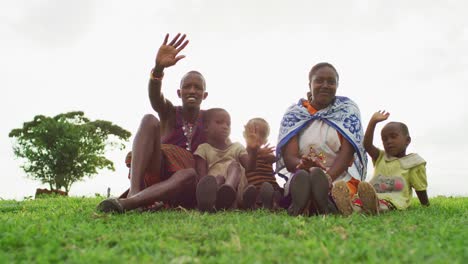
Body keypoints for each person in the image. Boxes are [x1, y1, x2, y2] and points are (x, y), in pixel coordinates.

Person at [97, 33, 208, 213]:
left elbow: (225, 146)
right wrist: (158, 70)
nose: (192, 91)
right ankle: (135, 192)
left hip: (184, 186)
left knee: (189, 173)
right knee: (149, 119)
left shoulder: (209, 120)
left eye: (198, 87)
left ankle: (130, 203)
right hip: (157, 173)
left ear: (205, 95)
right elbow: (156, 98)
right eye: (187, 87)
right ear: (179, 93)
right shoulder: (170, 113)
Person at [276, 62, 367, 216]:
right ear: (310, 84)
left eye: (331, 82)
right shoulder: (294, 114)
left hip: (337, 176)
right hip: (301, 175)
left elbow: (347, 154)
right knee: (303, 180)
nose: (325, 85)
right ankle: (308, 202)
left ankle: (319, 201)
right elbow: (289, 157)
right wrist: (303, 165)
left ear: (337, 86)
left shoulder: (347, 112)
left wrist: (325, 179)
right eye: (319, 81)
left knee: (338, 190)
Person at [332, 111, 429, 215]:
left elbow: (420, 187)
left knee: (383, 205)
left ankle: (375, 208)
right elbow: (367, 145)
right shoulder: (381, 156)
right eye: (384, 139)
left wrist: (426, 205)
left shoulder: (414, 162)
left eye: (393, 136)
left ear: (407, 140)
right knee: (359, 202)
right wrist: (373, 122)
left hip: (393, 199)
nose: (389, 141)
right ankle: (350, 209)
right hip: (370, 195)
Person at [194, 108, 265, 211]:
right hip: (214, 190)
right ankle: (218, 201)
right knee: (217, 178)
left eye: (228, 124)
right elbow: (202, 178)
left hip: (237, 188)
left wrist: (253, 150)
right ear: (206, 127)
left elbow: (250, 167)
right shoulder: (203, 148)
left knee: (235, 166)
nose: (225, 127)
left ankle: (228, 190)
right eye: (219, 122)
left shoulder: (236, 147)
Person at [243, 118, 283, 209]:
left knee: (276, 193)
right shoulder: (243, 153)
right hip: (254, 187)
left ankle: (274, 204)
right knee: (253, 194)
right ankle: (255, 205)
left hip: (271, 186)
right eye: (253, 132)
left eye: (262, 134)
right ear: (245, 135)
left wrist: (267, 156)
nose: (257, 137)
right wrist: (255, 152)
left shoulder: (267, 152)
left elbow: (273, 158)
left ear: (265, 140)